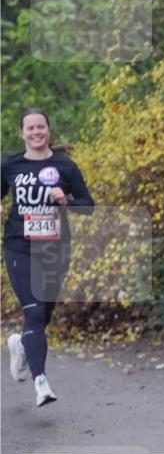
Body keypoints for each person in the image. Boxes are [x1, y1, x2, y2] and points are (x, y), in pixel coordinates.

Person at [2, 109, 94, 406]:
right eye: (30, 128)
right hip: (19, 246)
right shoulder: (10, 165)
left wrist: (65, 200)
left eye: (41, 127)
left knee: (43, 316)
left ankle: (22, 345)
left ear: (48, 131)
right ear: (23, 133)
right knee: (34, 312)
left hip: (55, 248)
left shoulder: (65, 166)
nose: (36, 132)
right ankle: (41, 383)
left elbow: (88, 206)